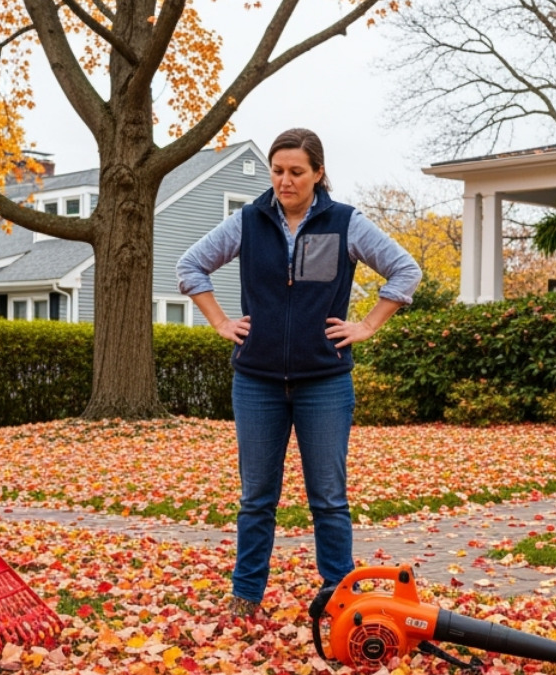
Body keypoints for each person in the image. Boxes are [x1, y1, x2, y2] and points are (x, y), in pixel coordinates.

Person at [176, 128, 422, 618]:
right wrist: (222, 321)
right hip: (257, 381)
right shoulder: (247, 222)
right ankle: (246, 598)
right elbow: (190, 266)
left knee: (328, 498)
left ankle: (340, 599)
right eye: (277, 171)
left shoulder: (346, 223)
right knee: (256, 499)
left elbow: (405, 271)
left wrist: (368, 325)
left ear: (318, 173)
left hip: (324, 382)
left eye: (295, 172)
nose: (284, 181)